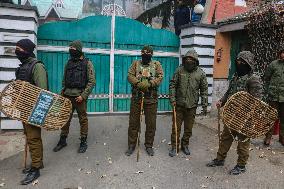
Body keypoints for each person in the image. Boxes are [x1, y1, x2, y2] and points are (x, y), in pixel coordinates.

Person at [206, 51, 263, 175]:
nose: (239, 63)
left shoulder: (254, 79)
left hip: (245, 118)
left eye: (242, 62)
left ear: (248, 63)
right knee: (226, 137)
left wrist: (249, 116)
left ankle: (241, 165)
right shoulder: (236, 76)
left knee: (243, 142)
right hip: (232, 115)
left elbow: (257, 101)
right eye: (238, 61)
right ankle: (220, 159)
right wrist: (222, 101)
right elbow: (229, 91)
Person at [15, 39, 48, 185]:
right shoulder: (23, 66)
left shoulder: (37, 67)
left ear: (27, 50)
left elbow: (43, 92)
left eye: (19, 49)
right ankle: (37, 162)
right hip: (23, 107)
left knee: (34, 138)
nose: (17, 52)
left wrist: (38, 113)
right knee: (29, 137)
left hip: (33, 109)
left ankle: (36, 168)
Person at [53, 40, 95, 153]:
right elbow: (64, 78)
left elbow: (91, 82)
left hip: (79, 97)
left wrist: (83, 96)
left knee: (83, 119)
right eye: (70, 48)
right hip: (67, 96)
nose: (71, 50)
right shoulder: (69, 62)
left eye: (73, 48)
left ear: (79, 50)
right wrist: (63, 91)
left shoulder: (87, 63)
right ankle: (63, 140)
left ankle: (83, 141)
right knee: (65, 119)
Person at [168, 48, 208, 157]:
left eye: (191, 59)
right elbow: (172, 85)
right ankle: (174, 146)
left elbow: (204, 90)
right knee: (176, 127)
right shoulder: (179, 70)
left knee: (188, 128)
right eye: (187, 59)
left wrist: (205, 105)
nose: (189, 61)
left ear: (195, 61)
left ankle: (185, 145)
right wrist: (172, 99)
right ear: (184, 60)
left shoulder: (201, 73)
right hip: (179, 105)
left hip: (192, 106)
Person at [125, 45, 164, 156]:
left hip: (151, 99)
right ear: (141, 54)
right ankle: (131, 145)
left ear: (151, 55)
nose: (145, 56)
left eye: (148, 55)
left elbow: (160, 76)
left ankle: (149, 145)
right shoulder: (135, 64)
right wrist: (138, 83)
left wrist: (150, 83)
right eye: (143, 54)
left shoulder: (156, 65)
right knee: (133, 123)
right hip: (137, 98)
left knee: (151, 124)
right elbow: (129, 76)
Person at [263, 49, 284, 146]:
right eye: (282, 53)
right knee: (271, 117)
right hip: (273, 96)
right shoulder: (273, 64)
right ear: (280, 54)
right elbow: (266, 78)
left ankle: (282, 139)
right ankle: (268, 138)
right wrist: (268, 91)